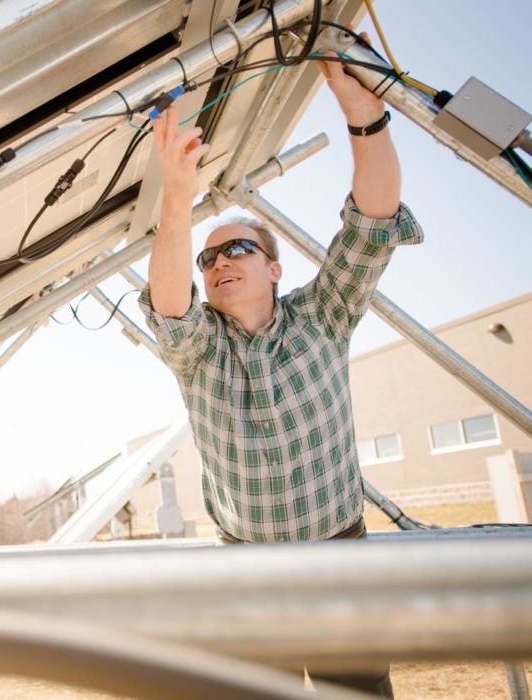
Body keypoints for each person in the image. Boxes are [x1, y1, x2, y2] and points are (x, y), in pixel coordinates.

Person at [137, 48, 423, 699]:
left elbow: (372, 222)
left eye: (239, 248)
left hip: (340, 561)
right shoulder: (200, 349)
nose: (220, 262)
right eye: (209, 258)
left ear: (274, 268)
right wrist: (177, 201)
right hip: (247, 572)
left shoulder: (324, 314)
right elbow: (169, 306)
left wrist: (367, 121)